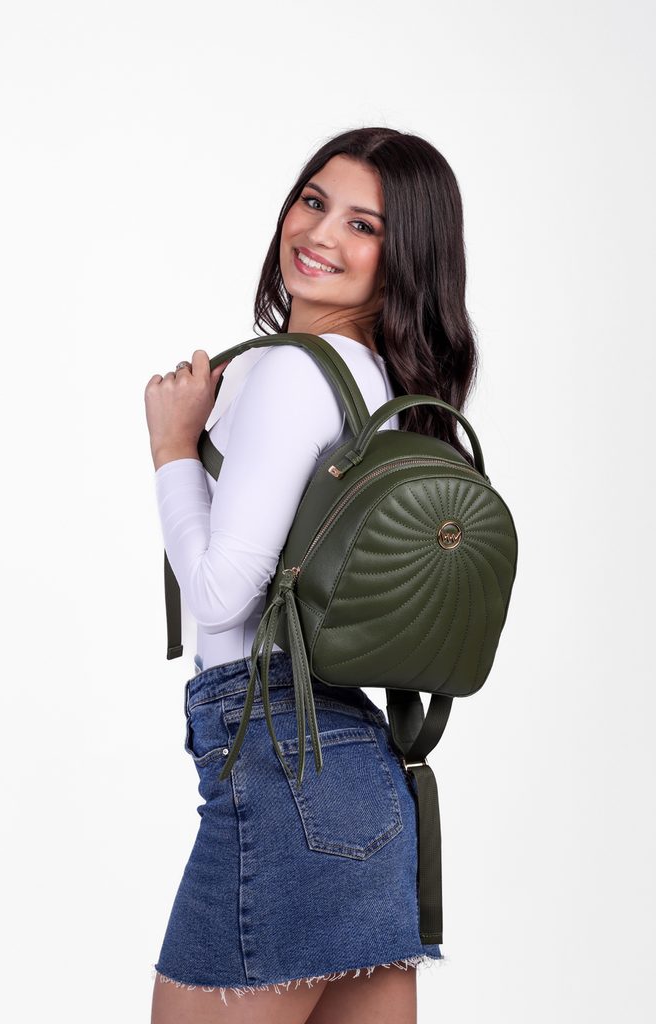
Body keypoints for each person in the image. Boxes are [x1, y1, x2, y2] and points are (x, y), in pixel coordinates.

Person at [143, 125, 478, 1023]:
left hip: (281, 765)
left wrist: (173, 448)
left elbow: (221, 593)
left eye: (363, 225)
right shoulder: (375, 381)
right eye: (314, 201)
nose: (320, 234)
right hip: (362, 781)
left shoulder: (293, 375)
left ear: (404, 261)